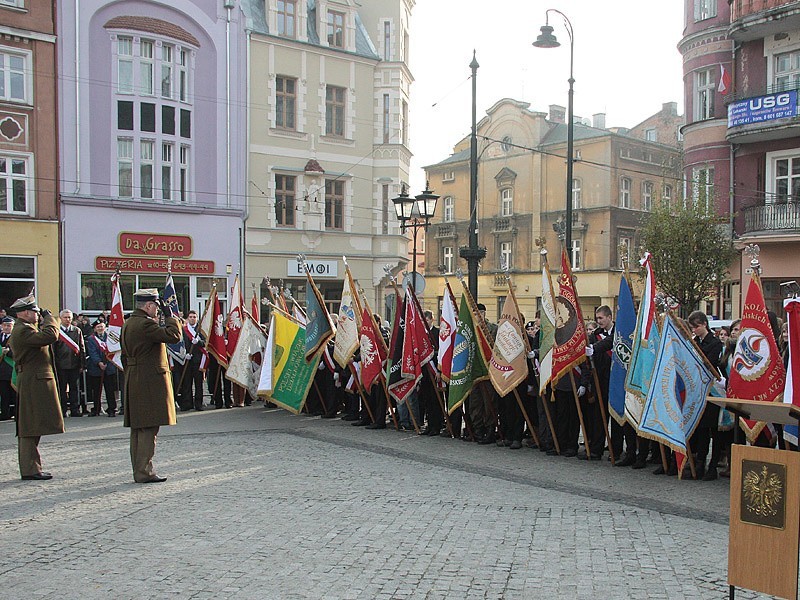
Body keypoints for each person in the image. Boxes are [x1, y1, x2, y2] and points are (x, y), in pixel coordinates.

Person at [121, 289, 182, 483]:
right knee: (148, 428)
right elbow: (174, 336)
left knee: (138, 428)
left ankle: (139, 470)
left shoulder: (129, 323)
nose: (158, 309)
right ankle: (144, 471)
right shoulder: (145, 324)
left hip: (135, 377)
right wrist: (170, 316)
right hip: (148, 379)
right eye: (156, 306)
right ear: (148, 306)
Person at [8, 295, 63, 480]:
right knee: (30, 426)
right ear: (24, 313)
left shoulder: (25, 328)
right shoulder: (23, 331)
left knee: (32, 425)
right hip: (33, 381)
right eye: (35, 312)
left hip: (33, 379)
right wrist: (50, 319)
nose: (38, 315)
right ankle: (30, 469)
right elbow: (50, 336)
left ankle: (32, 467)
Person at [687, 310, 723, 480]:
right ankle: (699, 462)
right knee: (701, 429)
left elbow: (710, 363)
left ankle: (713, 465)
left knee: (713, 430)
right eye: (692, 327)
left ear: (704, 324)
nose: (694, 330)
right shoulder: (695, 342)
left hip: (713, 390)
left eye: (696, 327)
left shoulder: (715, 343)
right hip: (698, 391)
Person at [54, 309, 87, 417]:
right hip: (61, 365)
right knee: (62, 389)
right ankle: (62, 410)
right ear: (60, 318)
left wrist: (82, 364)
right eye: (65, 317)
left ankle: (75, 409)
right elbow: (54, 350)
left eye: (69, 317)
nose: (68, 319)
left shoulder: (77, 331)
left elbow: (82, 348)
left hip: (74, 364)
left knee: (75, 388)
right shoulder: (57, 331)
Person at [85, 320, 119, 417]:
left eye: (102, 326)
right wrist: (99, 362)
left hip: (109, 367)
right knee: (96, 390)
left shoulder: (110, 337)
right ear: (95, 329)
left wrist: (108, 362)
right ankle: (96, 409)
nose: (100, 329)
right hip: (96, 369)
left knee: (110, 390)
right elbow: (92, 352)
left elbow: (113, 349)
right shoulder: (91, 339)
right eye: (98, 327)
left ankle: (112, 409)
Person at [179, 310, 207, 411]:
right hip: (188, 359)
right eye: (190, 317)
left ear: (197, 318)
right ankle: (187, 403)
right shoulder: (183, 329)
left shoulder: (201, 330)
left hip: (198, 360)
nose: (192, 318)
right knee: (187, 383)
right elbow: (180, 343)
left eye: (194, 317)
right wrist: (185, 354)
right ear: (187, 318)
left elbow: (205, 343)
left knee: (198, 383)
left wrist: (198, 342)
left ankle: (198, 404)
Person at [0, 316, 16, 421]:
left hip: (12, 369)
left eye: (9, 325)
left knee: (14, 393)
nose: (6, 327)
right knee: (3, 393)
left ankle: (15, 413)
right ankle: (4, 413)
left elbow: (20, 352)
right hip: (1, 370)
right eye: (5, 325)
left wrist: (9, 353)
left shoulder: (16, 338)